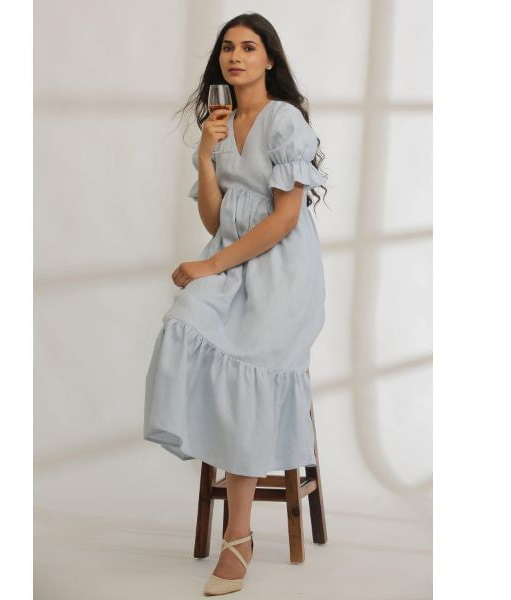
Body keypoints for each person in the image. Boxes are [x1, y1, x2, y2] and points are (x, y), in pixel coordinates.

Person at [144, 12, 329, 596]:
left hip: (282, 271)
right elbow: (214, 219)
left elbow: (285, 220)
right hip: (230, 261)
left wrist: (208, 266)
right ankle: (217, 440)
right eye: (228, 47)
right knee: (183, 322)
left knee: (247, 364)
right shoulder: (221, 122)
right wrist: (206, 153)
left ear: (269, 58)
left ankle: (239, 536)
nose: (236, 56)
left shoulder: (284, 121)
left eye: (249, 47)